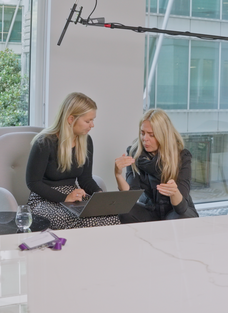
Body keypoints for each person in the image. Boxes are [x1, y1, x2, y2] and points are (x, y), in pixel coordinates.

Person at [26, 92, 120, 229]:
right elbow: (33, 183)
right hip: (43, 199)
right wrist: (64, 198)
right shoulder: (44, 142)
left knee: (111, 217)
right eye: (88, 121)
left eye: (93, 120)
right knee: (84, 222)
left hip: (73, 197)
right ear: (71, 119)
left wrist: (99, 195)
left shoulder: (86, 141)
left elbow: (85, 179)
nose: (92, 125)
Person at [114, 108, 199, 223]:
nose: (145, 139)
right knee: (124, 212)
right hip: (151, 210)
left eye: (151, 135)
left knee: (179, 219)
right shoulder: (135, 154)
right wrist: (118, 175)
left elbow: (181, 208)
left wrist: (174, 192)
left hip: (177, 211)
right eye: (142, 133)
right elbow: (130, 196)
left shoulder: (181, 157)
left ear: (163, 135)